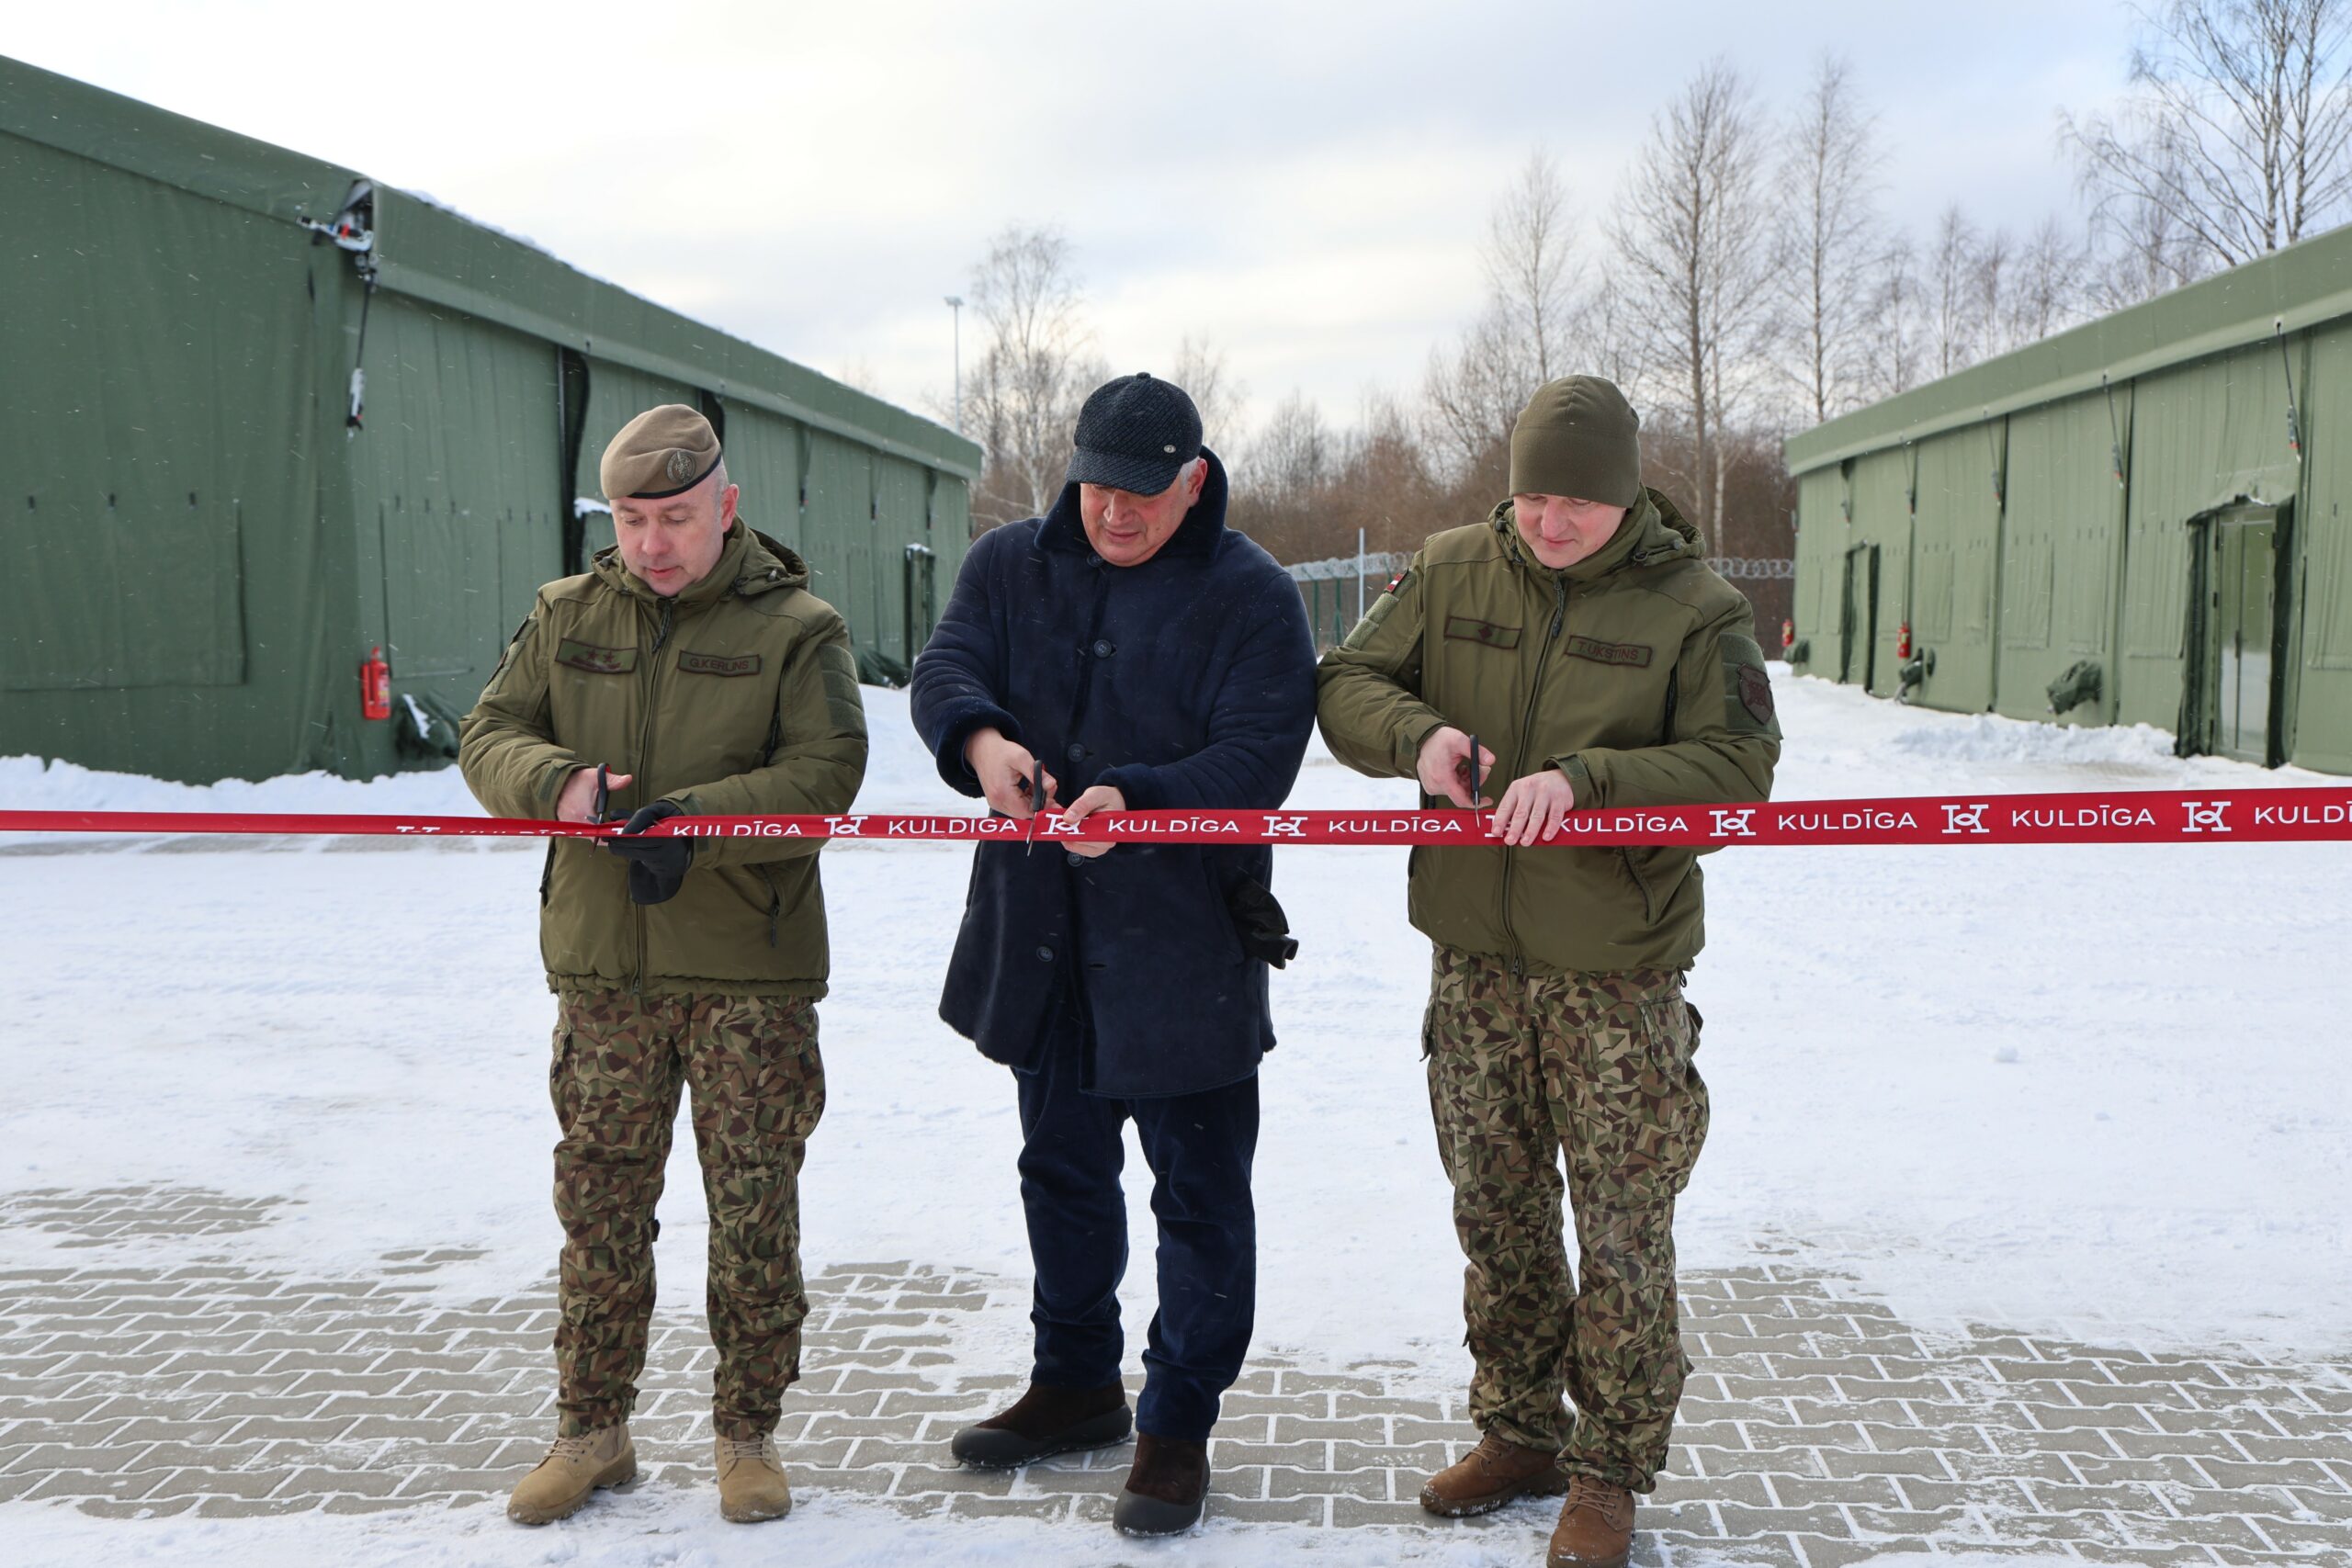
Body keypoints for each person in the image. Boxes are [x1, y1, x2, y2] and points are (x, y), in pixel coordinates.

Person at [1314, 376, 1779, 1568]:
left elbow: (1738, 769)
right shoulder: (1452, 567)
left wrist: (1590, 780)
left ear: (1626, 496)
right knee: (1497, 1203)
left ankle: (1609, 1471)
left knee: (1622, 1226)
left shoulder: (1696, 606)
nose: (1551, 522)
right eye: (1533, 497)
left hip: (1614, 976)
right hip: (1474, 957)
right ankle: (1518, 1429)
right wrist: (1420, 738)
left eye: (1578, 502)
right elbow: (1346, 684)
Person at [909, 372, 1316, 1536]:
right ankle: (1077, 1381)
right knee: (1062, 1172)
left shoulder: (1250, 593)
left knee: (1199, 1197)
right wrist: (980, 742)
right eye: (1096, 486)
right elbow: (946, 669)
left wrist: (1134, 798)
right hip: (1042, 940)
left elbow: (1257, 759)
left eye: (1142, 491)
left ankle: (1175, 1425)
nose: (1115, 512)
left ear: (1194, 482)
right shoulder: (1007, 564)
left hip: (1184, 948)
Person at [458, 404, 867, 1527]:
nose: (652, 543)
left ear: (726, 507)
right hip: (605, 973)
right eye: (632, 520)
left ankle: (748, 1434)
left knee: (751, 1214)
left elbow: (828, 772)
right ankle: (591, 1431)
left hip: (748, 976)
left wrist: (696, 821)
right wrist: (558, 785)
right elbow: (487, 735)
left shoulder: (799, 627)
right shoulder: (566, 616)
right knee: (598, 1213)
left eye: (676, 518)